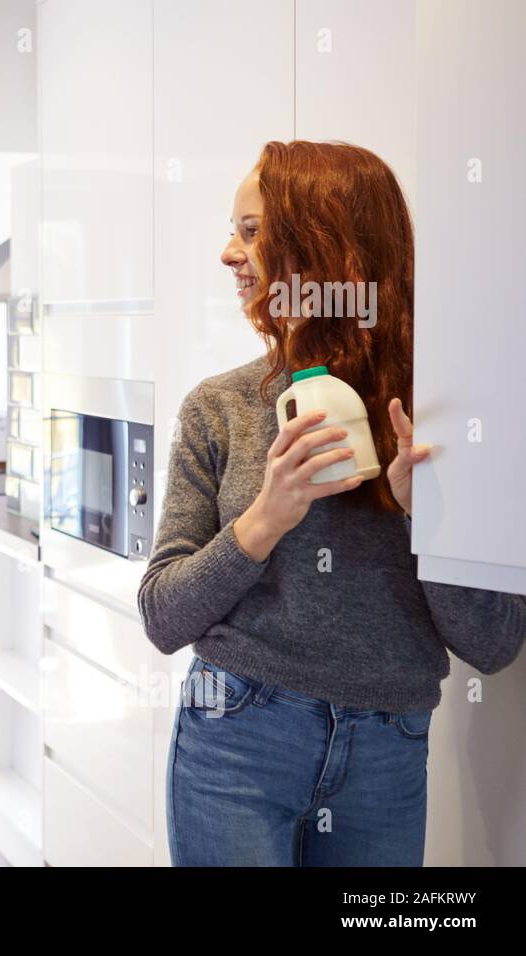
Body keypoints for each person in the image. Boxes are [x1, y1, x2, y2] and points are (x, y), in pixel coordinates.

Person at [139, 140, 526, 866]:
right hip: (237, 736)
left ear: (323, 246)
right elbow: (163, 616)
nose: (229, 252)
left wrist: (427, 515)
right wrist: (266, 518)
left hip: (389, 751)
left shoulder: (444, 414)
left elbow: (496, 644)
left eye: (251, 231)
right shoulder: (219, 408)